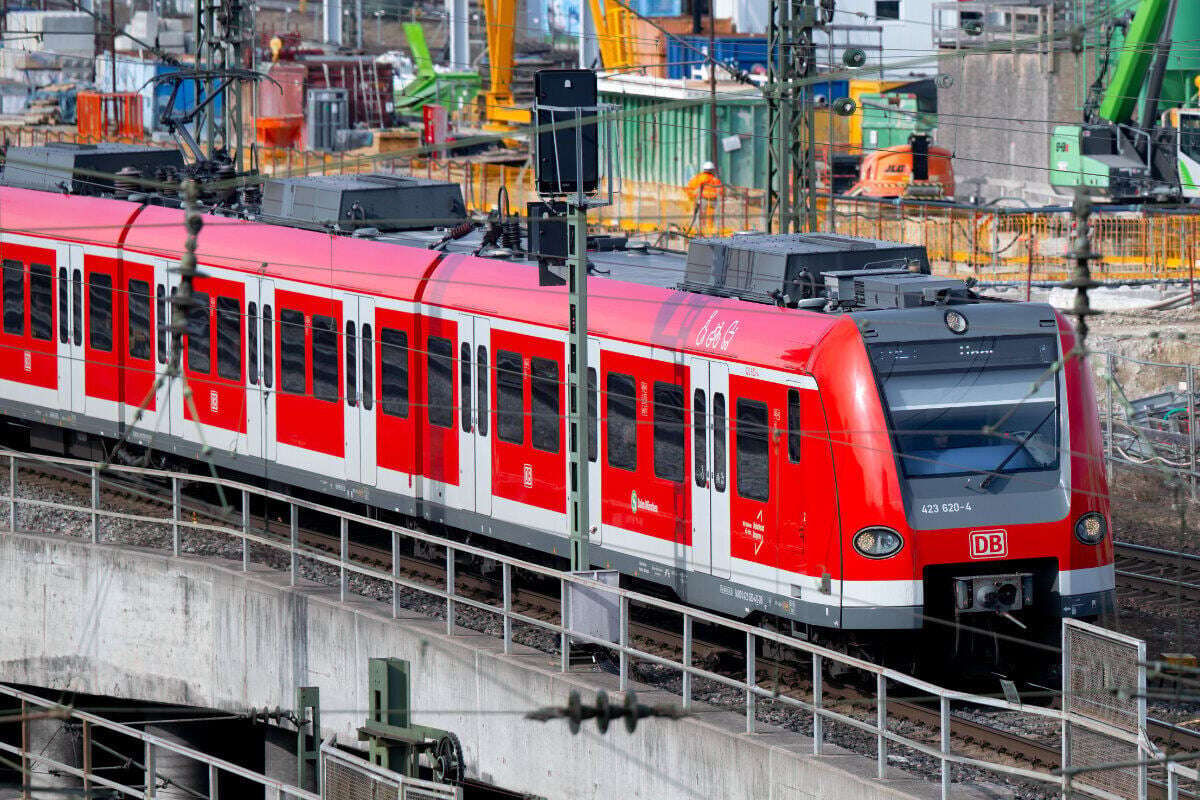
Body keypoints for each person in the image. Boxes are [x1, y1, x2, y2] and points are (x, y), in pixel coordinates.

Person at [685, 161, 724, 235]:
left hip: (703, 200)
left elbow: (690, 187)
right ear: (712, 170)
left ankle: (699, 231)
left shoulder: (699, 178)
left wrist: (694, 196)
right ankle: (714, 232)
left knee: (700, 217)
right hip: (713, 201)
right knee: (714, 217)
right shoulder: (715, 179)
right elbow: (721, 191)